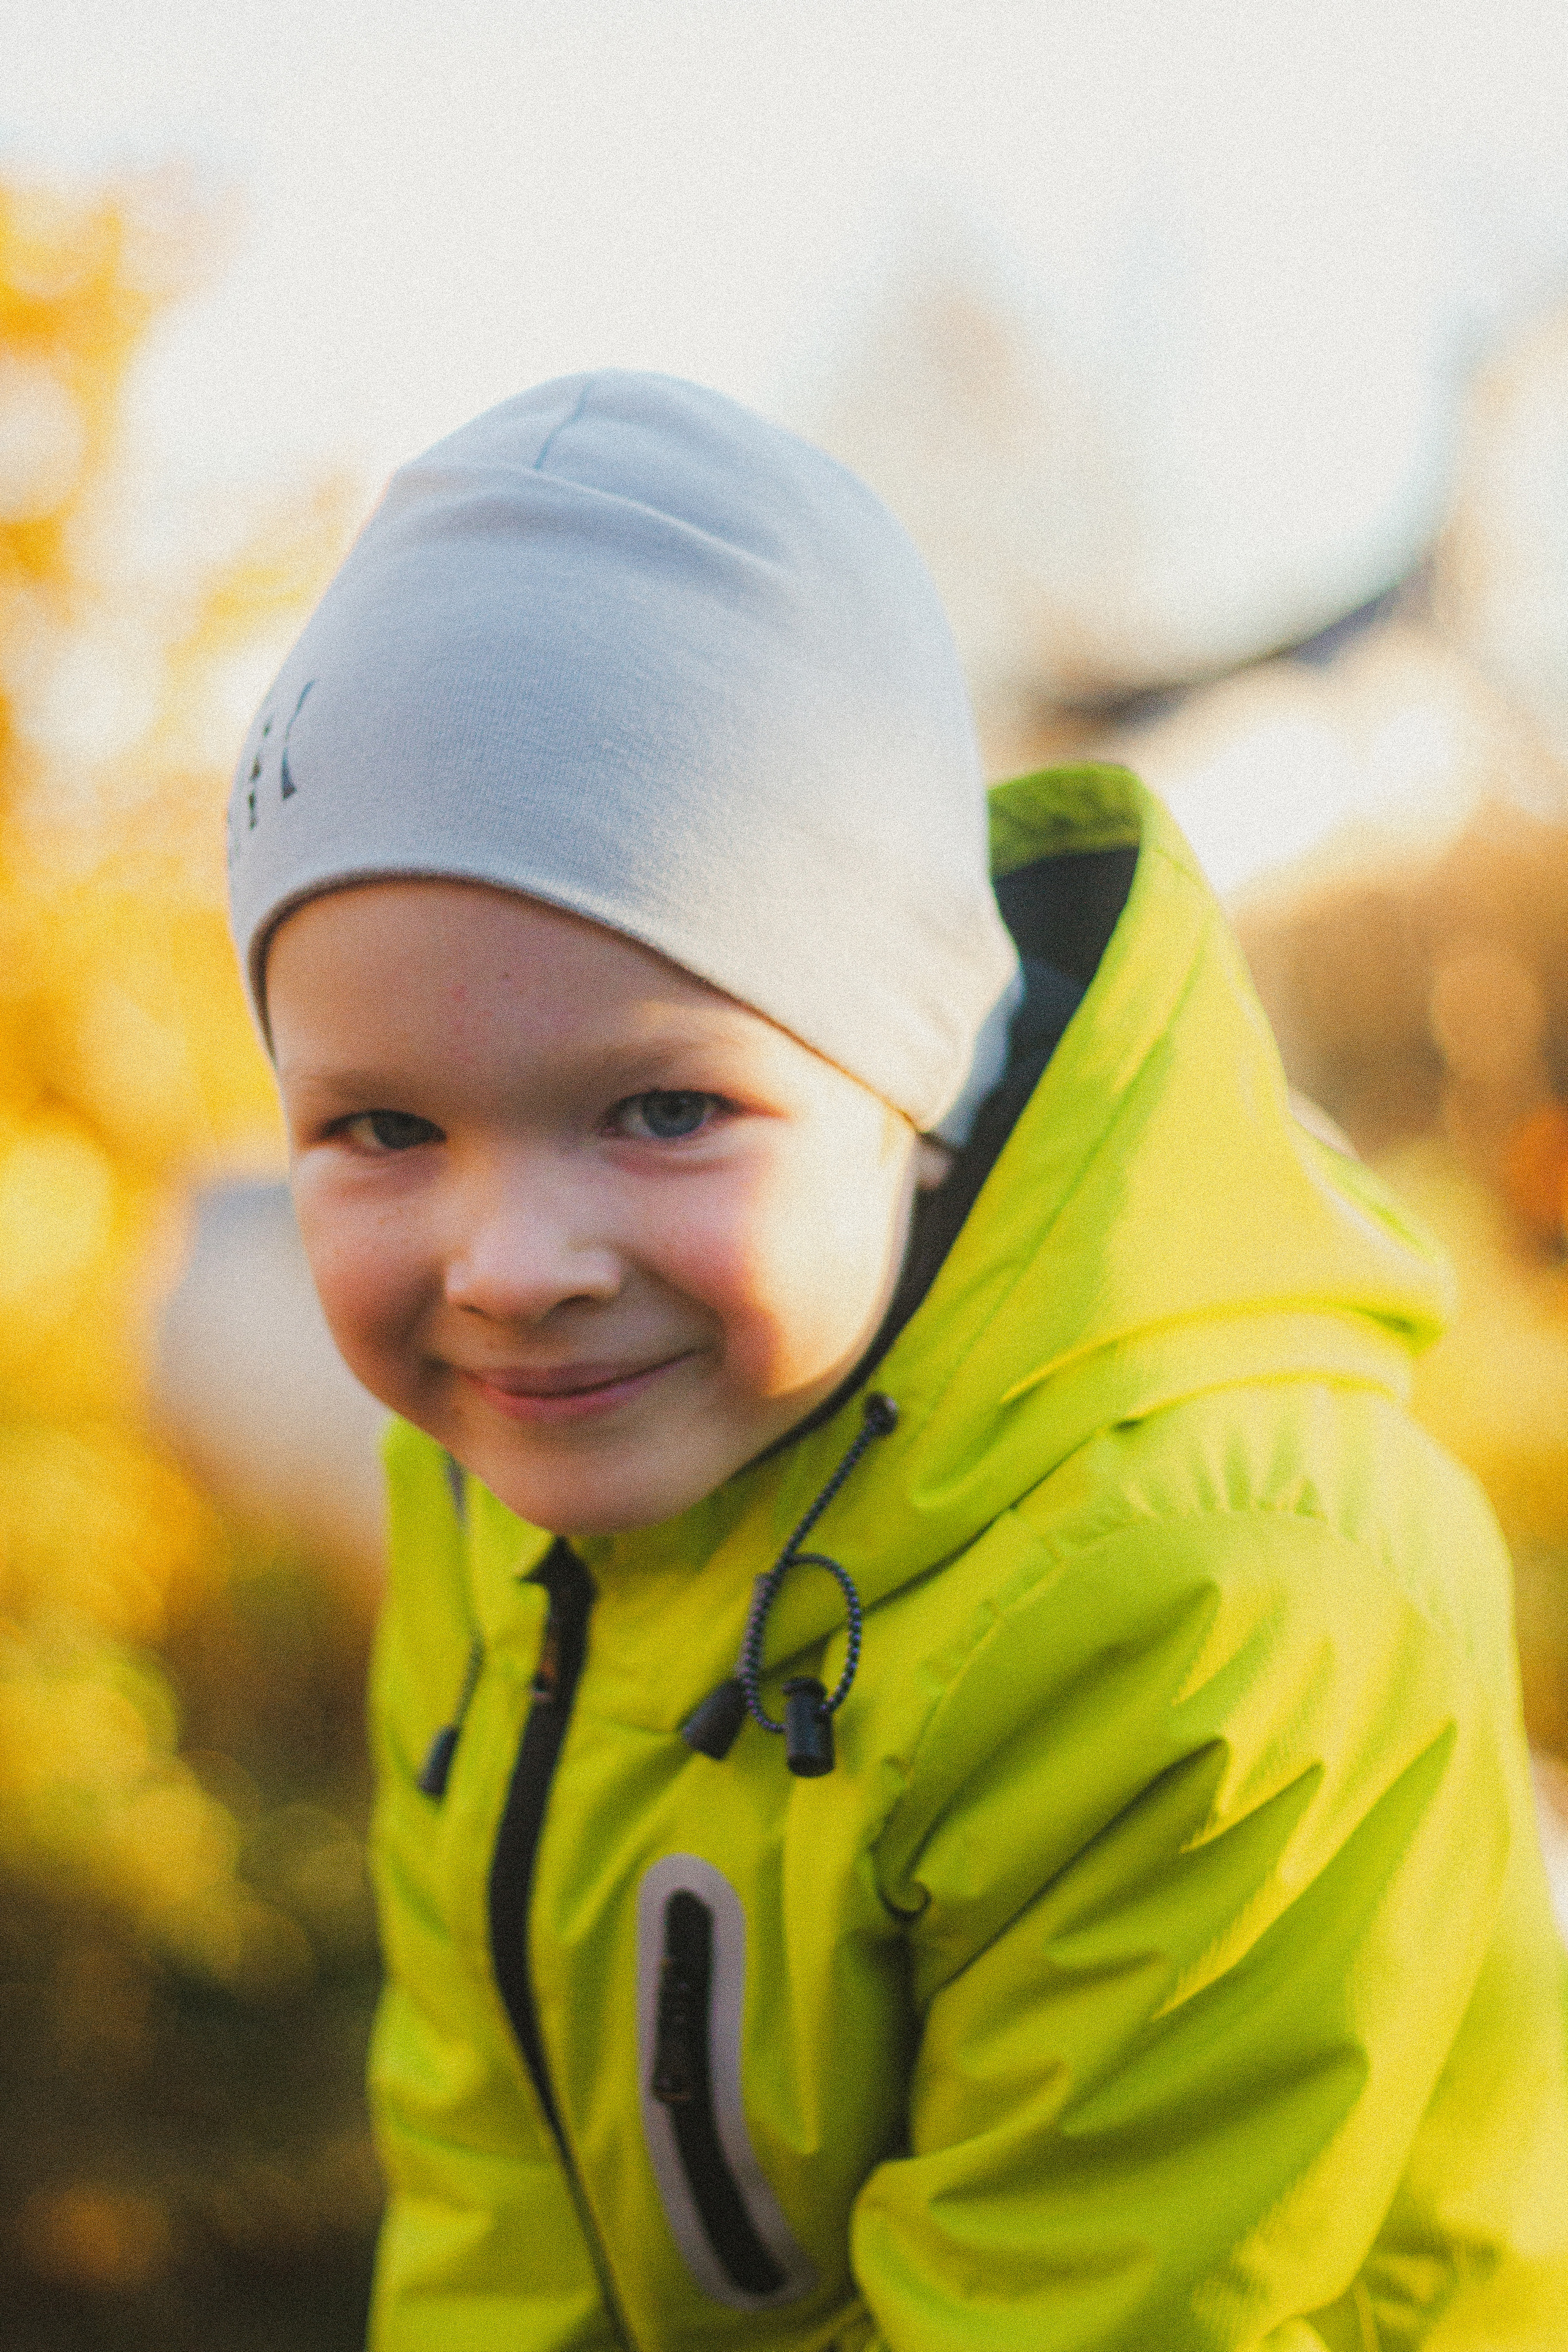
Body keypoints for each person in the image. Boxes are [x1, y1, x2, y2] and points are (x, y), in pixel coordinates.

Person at [227, 372, 1568, 2351]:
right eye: (382, 1128)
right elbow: (492, 2160)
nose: (509, 1270)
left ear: (913, 1082)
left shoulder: (1224, 1613)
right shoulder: (493, 1488)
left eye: (664, 1110)